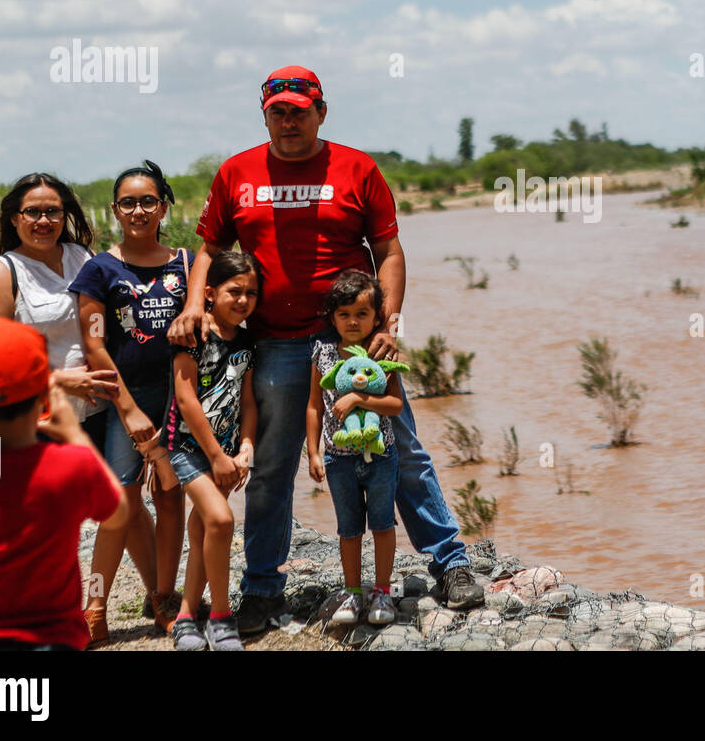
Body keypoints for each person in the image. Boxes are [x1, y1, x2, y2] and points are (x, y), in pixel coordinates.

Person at [168, 64, 482, 636]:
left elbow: (388, 249)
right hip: (275, 344)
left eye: (299, 110)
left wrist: (389, 320)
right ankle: (262, 587)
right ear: (265, 114)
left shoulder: (357, 168)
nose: (289, 121)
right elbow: (210, 247)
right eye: (278, 112)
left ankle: (450, 562)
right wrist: (195, 304)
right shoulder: (235, 172)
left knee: (400, 448)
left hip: (352, 342)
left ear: (321, 111)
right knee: (272, 466)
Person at [0, 318, 127, 651]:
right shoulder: (71, 467)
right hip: (50, 640)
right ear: (44, 393)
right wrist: (76, 436)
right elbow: (118, 513)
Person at [69, 160, 190, 642]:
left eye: (148, 201)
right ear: (115, 209)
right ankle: (94, 608)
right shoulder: (100, 269)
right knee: (120, 501)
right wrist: (128, 408)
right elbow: (95, 344)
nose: (138, 210)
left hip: (181, 396)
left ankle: (164, 598)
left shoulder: (185, 261)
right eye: (128, 202)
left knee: (170, 495)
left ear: (163, 205)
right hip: (126, 397)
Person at [162, 251, 260, 652]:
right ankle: (221, 616)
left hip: (229, 452)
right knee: (220, 522)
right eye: (234, 291)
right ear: (209, 292)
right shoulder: (194, 336)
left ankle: (186, 616)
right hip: (190, 449)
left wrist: (246, 448)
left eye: (252, 293)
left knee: (204, 527)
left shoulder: (248, 341)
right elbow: (186, 401)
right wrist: (218, 457)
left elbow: (249, 402)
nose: (243, 300)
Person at [0, 172, 119, 411]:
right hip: (39, 420)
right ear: (14, 218)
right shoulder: (1, 273)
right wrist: (59, 381)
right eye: (32, 212)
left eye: (52, 211)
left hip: (101, 411)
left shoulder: (83, 257)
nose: (44, 221)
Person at [307, 271, 404, 626]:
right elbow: (314, 406)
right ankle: (352, 592)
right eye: (344, 313)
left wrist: (358, 398)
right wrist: (314, 452)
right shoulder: (322, 353)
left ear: (377, 317)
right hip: (337, 458)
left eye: (362, 314)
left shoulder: (382, 354)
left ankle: (382, 591)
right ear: (332, 316)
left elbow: (395, 405)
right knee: (348, 528)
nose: (352, 321)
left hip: (381, 456)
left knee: (382, 523)